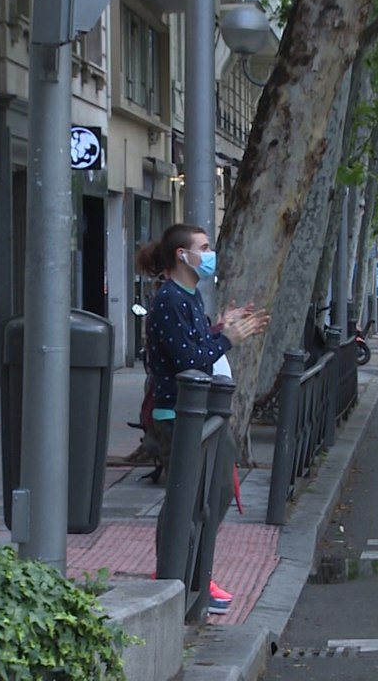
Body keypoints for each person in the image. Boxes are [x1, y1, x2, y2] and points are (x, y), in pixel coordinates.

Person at [135, 223, 268, 614]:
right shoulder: (171, 300)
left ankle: (190, 572)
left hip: (199, 414)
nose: (210, 254)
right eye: (204, 247)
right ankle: (179, 575)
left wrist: (219, 328)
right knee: (190, 497)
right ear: (183, 255)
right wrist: (230, 337)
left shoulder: (188, 297)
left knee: (209, 493)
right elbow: (189, 361)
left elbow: (195, 346)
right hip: (179, 415)